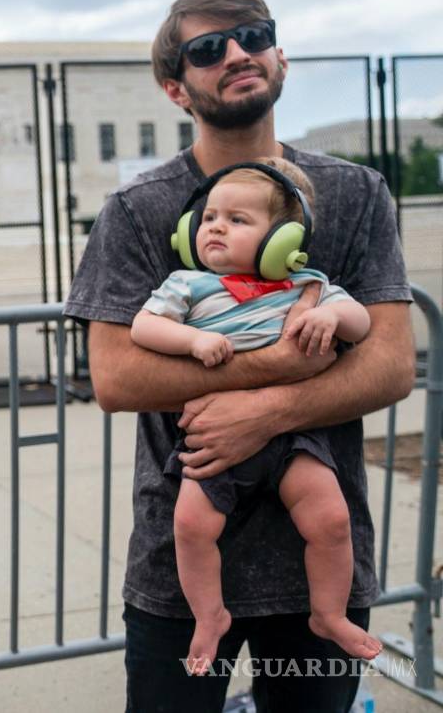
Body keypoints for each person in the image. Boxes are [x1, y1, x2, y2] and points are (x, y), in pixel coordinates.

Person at [63, 0, 415, 712]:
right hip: (181, 565)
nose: (237, 53)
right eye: (207, 48)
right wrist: (289, 362)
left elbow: (389, 362)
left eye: (254, 35)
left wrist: (267, 410)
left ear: (280, 56)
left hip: (319, 561)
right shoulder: (137, 211)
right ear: (175, 87)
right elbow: (117, 376)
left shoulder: (356, 194)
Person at [130, 157, 380, 673]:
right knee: (191, 525)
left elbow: (360, 324)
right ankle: (209, 615)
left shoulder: (306, 283)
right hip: (214, 440)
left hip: (293, 438)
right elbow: (144, 327)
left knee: (331, 521)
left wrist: (330, 313)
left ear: (284, 241)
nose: (216, 226)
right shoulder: (189, 284)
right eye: (210, 217)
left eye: (238, 220)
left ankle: (329, 613)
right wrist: (194, 338)